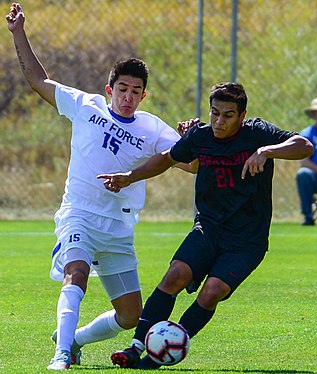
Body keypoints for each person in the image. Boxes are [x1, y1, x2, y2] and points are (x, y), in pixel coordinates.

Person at [6, 3, 197, 371]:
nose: (127, 96)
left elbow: (190, 166)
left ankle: (74, 340)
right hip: (78, 214)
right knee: (75, 273)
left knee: (130, 316)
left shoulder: (152, 128)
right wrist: (18, 33)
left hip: (118, 228)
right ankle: (60, 354)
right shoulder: (85, 106)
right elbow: (38, 81)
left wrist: (191, 141)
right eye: (122, 88)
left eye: (135, 91)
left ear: (144, 96)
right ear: (110, 89)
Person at [99, 82, 314, 369]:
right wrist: (129, 176)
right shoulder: (200, 137)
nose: (218, 121)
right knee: (175, 275)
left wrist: (267, 151)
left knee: (212, 291)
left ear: (242, 115)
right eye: (214, 113)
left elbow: (304, 145)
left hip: (247, 241)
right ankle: (136, 346)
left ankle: (167, 349)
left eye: (227, 115)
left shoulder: (257, 133)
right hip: (209, 229)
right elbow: (166, 159)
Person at [296, 96, 317, 225]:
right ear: (313, 114)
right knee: (303, 174)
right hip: (316, 178)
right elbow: (304, 161)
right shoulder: (307, 134)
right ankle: (308, 216)